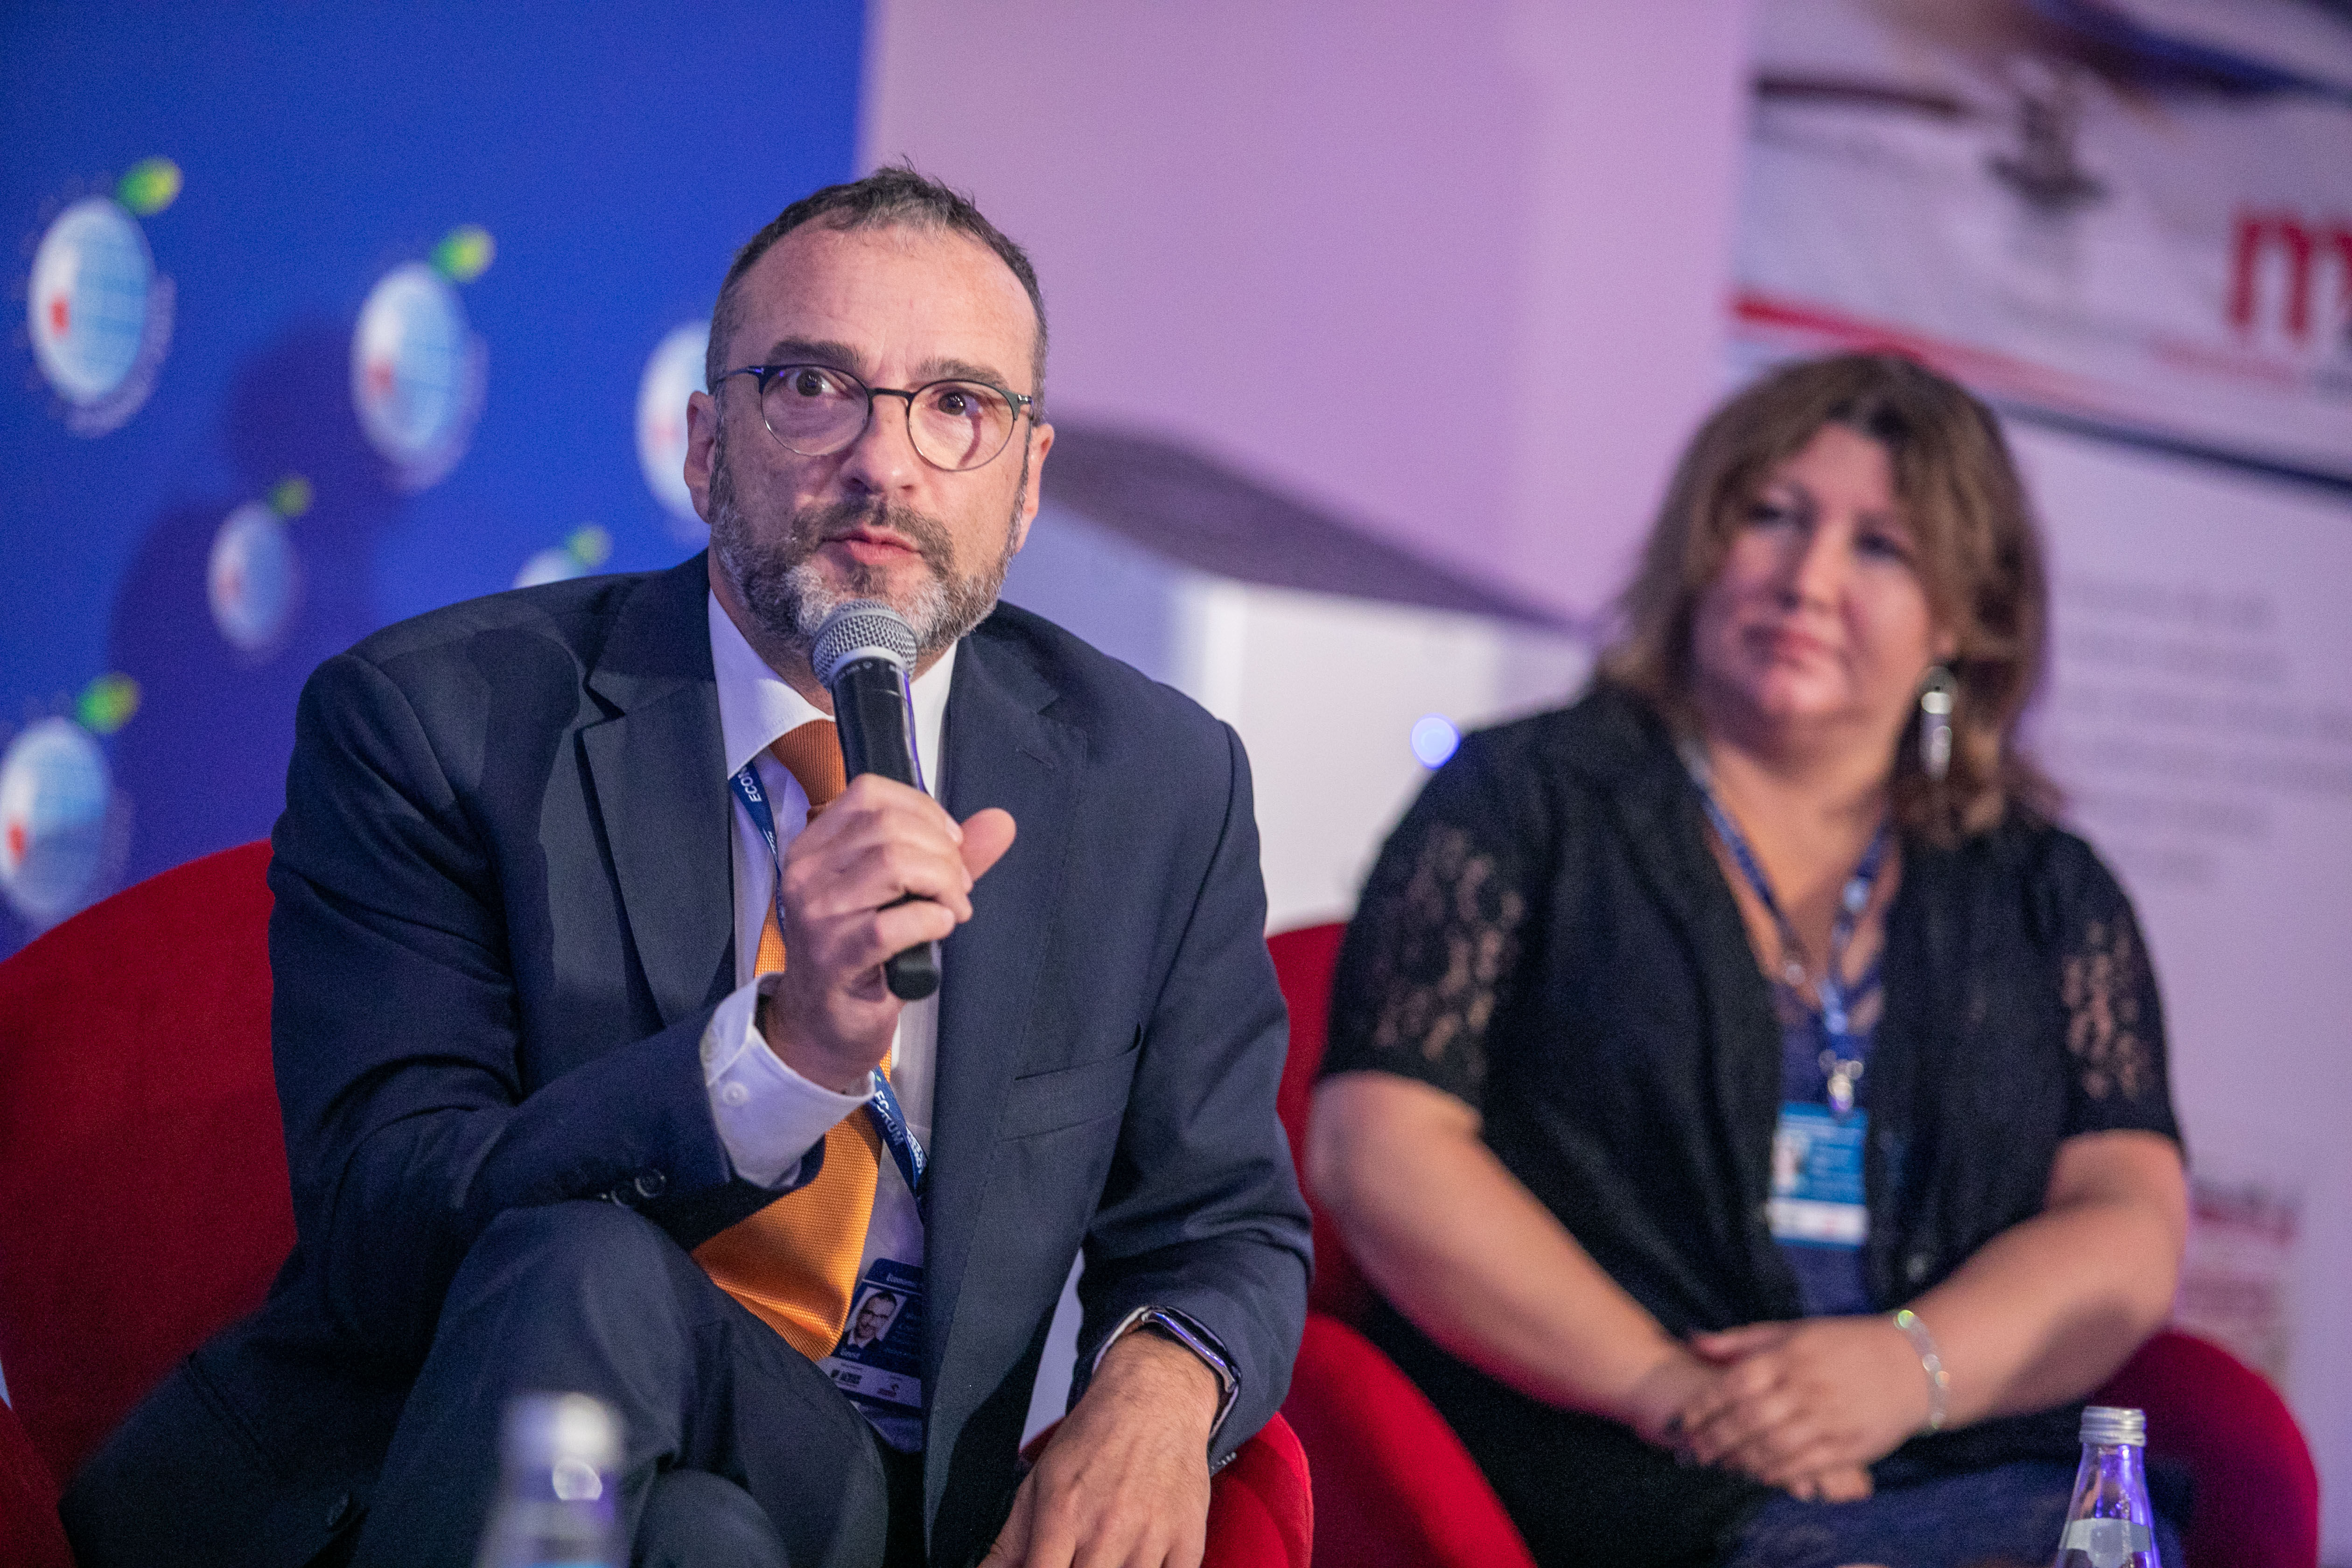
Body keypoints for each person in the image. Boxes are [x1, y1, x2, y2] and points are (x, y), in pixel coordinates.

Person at [64, 167, 1310, 1568]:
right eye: (814, 388)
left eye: (958, 405)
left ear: (1025, 485)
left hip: (861, 1502)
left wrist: (1159, 1392)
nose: (886, 463)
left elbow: (1225, 1221)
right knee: (645, 1416)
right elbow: (386, 1235)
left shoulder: (1155, 782)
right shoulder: (439, 726)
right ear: (706, 448)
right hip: (440, 1458)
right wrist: (780, 1060)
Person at [1309, 353, 2188, 1568]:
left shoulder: (2049, 890)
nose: (1807, 579)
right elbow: (1380, 1148)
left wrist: (1905, 1372)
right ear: (1701, 545)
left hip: (1951, 1454)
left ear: (1964, 615)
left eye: (1881, 547)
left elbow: (2127, 1217)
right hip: (1598, 1454)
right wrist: (1672, 1390)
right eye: (1773, 516)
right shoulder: (1518, 803)